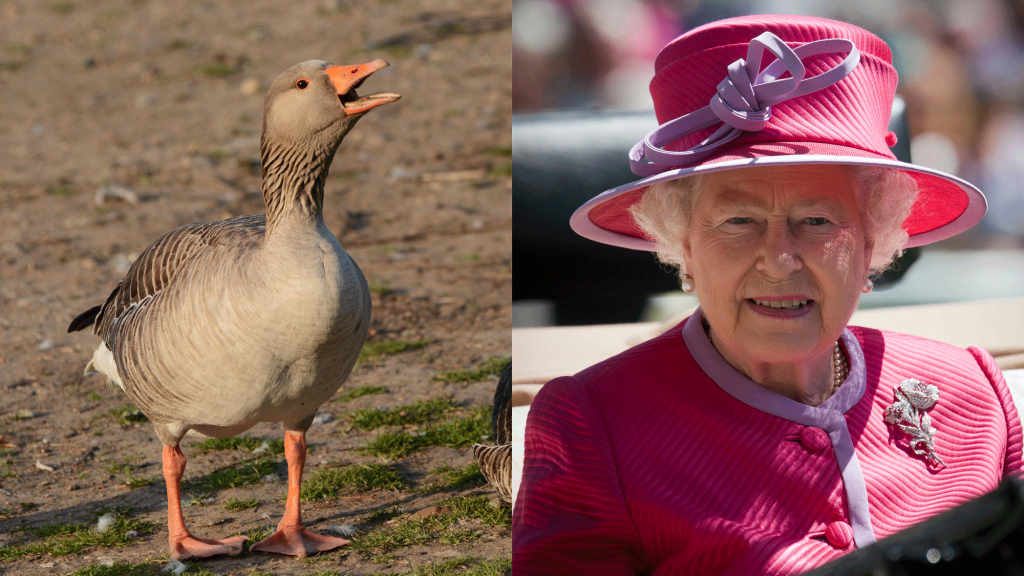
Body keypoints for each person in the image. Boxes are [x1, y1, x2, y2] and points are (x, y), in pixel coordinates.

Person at [513, 14, 1023, 575]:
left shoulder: (973, 391)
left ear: (873, 236)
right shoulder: (592, 428)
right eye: (738, 220)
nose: (780, 259)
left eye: (816, 220)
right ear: (681, 239)